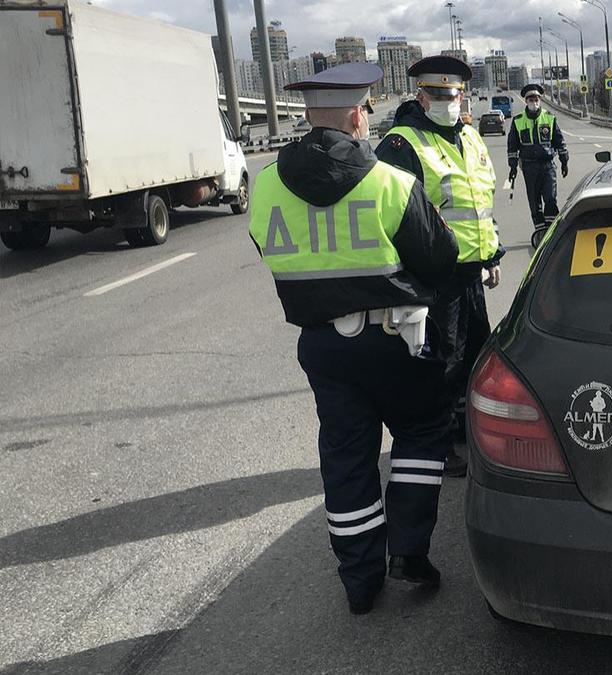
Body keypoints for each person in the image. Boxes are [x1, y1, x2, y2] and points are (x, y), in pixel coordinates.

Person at [248, 64, 460, 615]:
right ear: (354, 114)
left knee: (346, 457)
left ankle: (360, 580)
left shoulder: (266, 182)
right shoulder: (389, 181)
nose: (367, 118)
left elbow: (268, 254)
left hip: (323, 348)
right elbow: (440, 257)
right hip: (395, 341)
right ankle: (410, 550)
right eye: (365, 110)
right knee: (422, 431)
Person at [376, 56, 503, 477]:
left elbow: (481, 199)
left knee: (476, 355)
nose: (449, 100)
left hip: (470, 274)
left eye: (454, 94)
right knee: (439, 362)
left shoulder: (470, 136)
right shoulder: (402, 143)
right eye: (439, 94)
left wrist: (493, 254)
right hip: (434, 278)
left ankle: (464, 428)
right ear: (421, 95)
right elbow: (392, 215)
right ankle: (436, 441)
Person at [506, 84, 569, 238]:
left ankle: (551, 232)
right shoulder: (518, 121)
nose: (534, 102)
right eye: (530, 99)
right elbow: (512, 146)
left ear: (540, 100)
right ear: (526, 101)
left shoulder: (549, 118)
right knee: (535, 203)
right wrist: (513, 167)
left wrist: (564, 161)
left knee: (550, 198)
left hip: (548, 166)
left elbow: (559, 141)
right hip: (529, 167)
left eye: (536, 99)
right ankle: (540, 233)